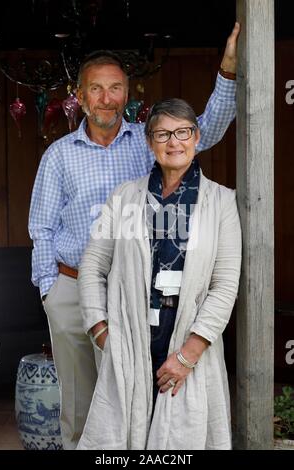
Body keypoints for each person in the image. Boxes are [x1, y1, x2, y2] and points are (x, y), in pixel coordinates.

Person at [28, 23, 240, 449]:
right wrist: (51, 291)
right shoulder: (59, 156)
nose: (107, 98)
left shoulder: (148, 141)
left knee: (134, 403)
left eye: (116, 88)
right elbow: (41, 228)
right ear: (81, 95)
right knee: (82, 404)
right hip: (74, 286)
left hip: (134, 293)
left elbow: (205, 128)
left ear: (128, 92)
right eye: (96, 89)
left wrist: (229, 71)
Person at [77, 97, 242, 450]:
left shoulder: (222, 202)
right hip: (131, 336)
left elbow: (224, 285)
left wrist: (189, 354)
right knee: (122, 438)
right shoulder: (124, 197)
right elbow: (92, 265)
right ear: (150, 142)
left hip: (187, 336)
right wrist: (101, 331)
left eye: (182, 132)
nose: (174, 142)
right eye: (163, 134)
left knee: (182, 437)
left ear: (196, 138)